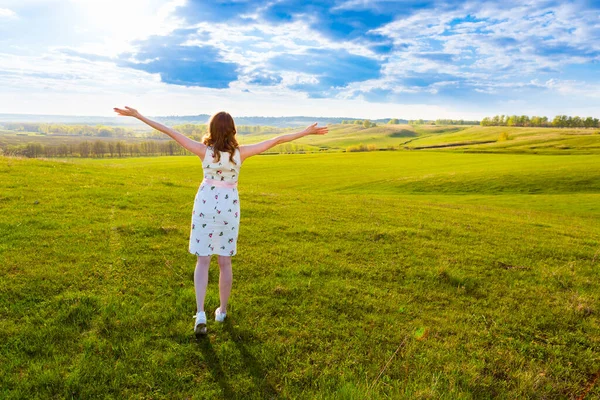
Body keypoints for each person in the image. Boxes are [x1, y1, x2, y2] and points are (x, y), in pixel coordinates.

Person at [113, 106, 328, 336]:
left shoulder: (203, 151)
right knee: (224, 262)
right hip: (228, 210)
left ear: (212, 130)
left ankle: (201, 313)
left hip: (205, 207)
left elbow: (169, 132)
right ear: (232, 131)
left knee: (203, 260)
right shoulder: (240, 154)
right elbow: (276, 140)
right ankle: (222, 311)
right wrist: (306, 132)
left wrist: (138, 116)